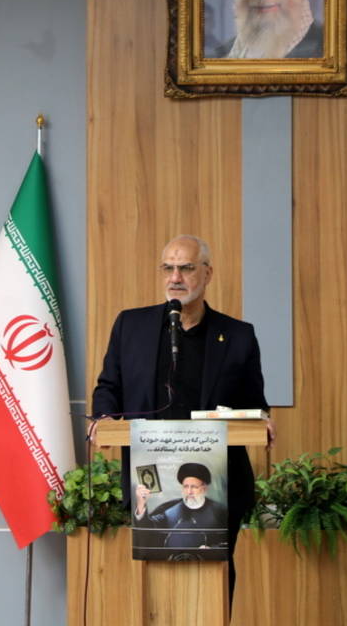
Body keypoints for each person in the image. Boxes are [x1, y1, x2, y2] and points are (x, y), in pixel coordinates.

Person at [91, 235, 269, 592]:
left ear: (207, 273)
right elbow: (108, 387)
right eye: (168, 268)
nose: (175, 277)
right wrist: (105, 418)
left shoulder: (238, 336)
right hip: (150, 475)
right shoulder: (130, 326)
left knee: (214, 579)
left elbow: (254, 403)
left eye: (186, 268)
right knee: (155, 581)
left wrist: (262, 419)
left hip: (217, 482)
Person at [134, 462, 229, 551]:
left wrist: (212, 549)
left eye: (194, 487)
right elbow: (148, 530)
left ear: (204, 489)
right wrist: (141, 503)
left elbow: (227, 541)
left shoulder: (220, 511)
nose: (189, 492)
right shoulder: (168, 509)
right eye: (186, 486)